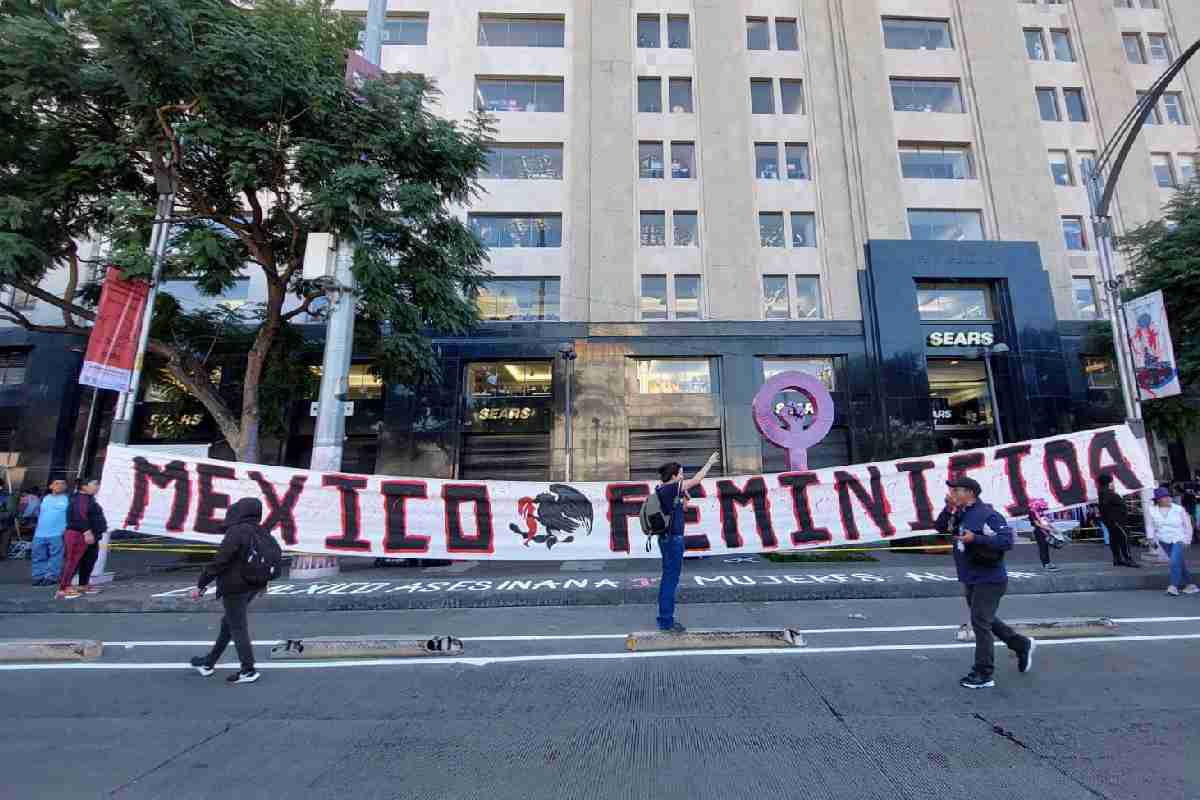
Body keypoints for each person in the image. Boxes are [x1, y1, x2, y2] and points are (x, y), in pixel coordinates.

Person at [936, 477, 1035, 689]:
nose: (952, 494)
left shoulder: (987, 515)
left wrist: (977, 539)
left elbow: (1006, 541)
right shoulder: (960, 512)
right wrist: (948, 508)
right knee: (985, 619)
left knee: (980, 622)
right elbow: (940, 528)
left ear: (970, 492)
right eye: (951, 491)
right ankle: (1020, 644)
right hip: (971, 576)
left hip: (989, 578)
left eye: (956, 491)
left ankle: (983, 673)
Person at [189, 497, 266, 684]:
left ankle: (248, 670)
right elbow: (265, 558)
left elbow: (220, 561)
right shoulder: (261, 531)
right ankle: (209, 662)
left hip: (235, 587)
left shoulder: (236, 531)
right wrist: (263, 583)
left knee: (237, 627)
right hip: (252, 585)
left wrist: (201, 584)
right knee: (229, 624)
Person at [654, 452, 719, 633]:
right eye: (681, 473)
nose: (683, 477)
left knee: (669, 578)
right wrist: (709, 462)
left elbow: (681, 509)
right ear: (673, 476)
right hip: (673, 539)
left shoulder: (661, 489)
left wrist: (685, 500)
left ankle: (665, 618)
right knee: (670, 580)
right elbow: (698, 479)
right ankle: (666, 621)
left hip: (667, 538)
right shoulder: (670, 488)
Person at [57, 479, 107, 599]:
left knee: (89, 560)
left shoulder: (89, 499)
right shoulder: (80, 498)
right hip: (79, 534)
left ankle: (83, 584)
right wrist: (86, 532)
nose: (97, 486)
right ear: (84, 487)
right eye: (94, 484)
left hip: (91, 535)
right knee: (73, 560)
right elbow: (80, 515)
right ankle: (63, 588)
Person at [1146, 487, 1198, 597]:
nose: (1168, 498)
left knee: (1174, 561)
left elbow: (1187, 525)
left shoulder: (1179, 509)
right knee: (1179, 562)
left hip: (1179, 538)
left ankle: (1173, 586)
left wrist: (1188, 539)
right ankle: (1190, 585)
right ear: (1158, 499)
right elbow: (1150, 525)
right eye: (1164, 497)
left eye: (1168, 496)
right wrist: (1150, 538)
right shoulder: (1151, 510)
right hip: (1163, 539)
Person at [30, 480, 68, 586]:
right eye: (56, 483)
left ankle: (52, 577)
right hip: (40, 533)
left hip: (57, 533)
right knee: (37, 556)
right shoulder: (45, 498)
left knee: (56, 556)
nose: (59, 486)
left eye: (62, 484)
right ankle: (38, 576)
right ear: (50, 486)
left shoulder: (67, 499)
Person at [1097, 474, 1139, 568]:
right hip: (1116, 521)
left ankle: (1117, 559)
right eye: (1112, 481)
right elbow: (1110, 507)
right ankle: (1128, 559)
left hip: (1112, 521)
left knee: (1114, 539)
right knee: (1124, 538)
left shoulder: (1103, 493)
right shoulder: (1108, 494)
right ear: (1109, 483)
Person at [1027, 498, 1060, 571]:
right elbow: (1037, 524)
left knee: (1046, 548)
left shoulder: (1040, 512)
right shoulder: (1031, 512)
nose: (1038, 505)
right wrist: (1049, 528)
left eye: (1038, 504)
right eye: (1036, 504)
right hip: (1039, 531)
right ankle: (1045, 564)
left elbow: (1045, 521)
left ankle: (1048, 563)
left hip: (1045, 531)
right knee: (1043, 548)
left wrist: (1052, 528)